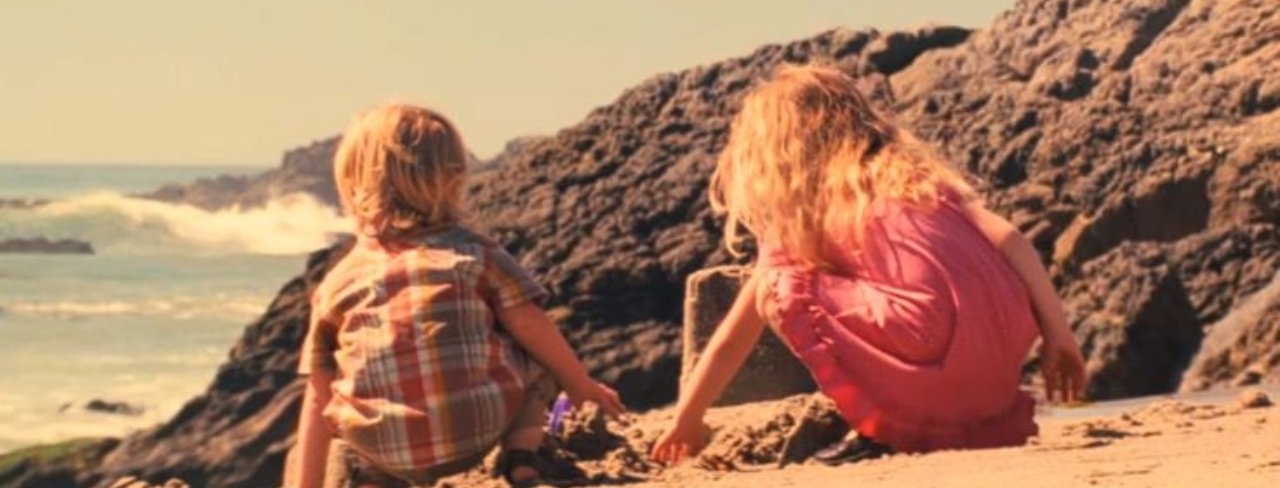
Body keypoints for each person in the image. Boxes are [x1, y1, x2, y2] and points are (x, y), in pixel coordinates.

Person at [652, 64, 1085, 465]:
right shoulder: (918, 180)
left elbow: (735, 335)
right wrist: (1060, 338)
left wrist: (687, 419)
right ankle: (908, 412)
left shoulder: (803, 210)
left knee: (776, 286)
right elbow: (1012, 240)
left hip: (928, 366)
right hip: (990, 381)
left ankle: (877, 426)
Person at [290, 104, 625, 488]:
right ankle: (522, 458)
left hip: (387, 448)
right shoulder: (475, 253)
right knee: (537, 356)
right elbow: (530, 321)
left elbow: (317, 396)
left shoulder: (336, 284)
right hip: (475, 433)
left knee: (346, 401)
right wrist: (580, 384)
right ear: (454, 179)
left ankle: (376, 479)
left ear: (351, 185)